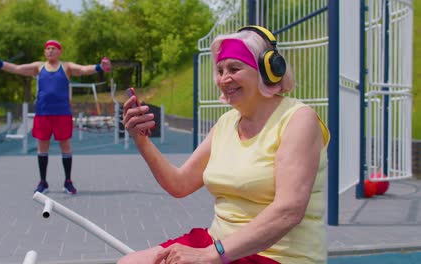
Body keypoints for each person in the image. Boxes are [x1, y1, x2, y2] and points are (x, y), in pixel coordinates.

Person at [120, 25, 330, 264]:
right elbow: (179, 184)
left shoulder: (298, 119)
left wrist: (210, 254)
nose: (224, 78)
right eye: (219, 70)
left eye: (234, 68)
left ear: (267, 70)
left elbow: (288, 211)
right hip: (219, 245)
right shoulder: (226, 123)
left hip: (278, 256)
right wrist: (141, 139)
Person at [0, 40, 111, 195]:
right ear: (45, 52)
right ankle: (43, 182)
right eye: (48, 49)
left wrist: (100, 67)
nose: (50, 51)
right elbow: (17, 68)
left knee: (66, 147)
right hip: (43, 113)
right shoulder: (39, 67)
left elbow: (84, 69)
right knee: (42, 147)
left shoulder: (67, 67)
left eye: (54, 48)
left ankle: (68, 182)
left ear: (60, 51)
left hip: (62, 114)